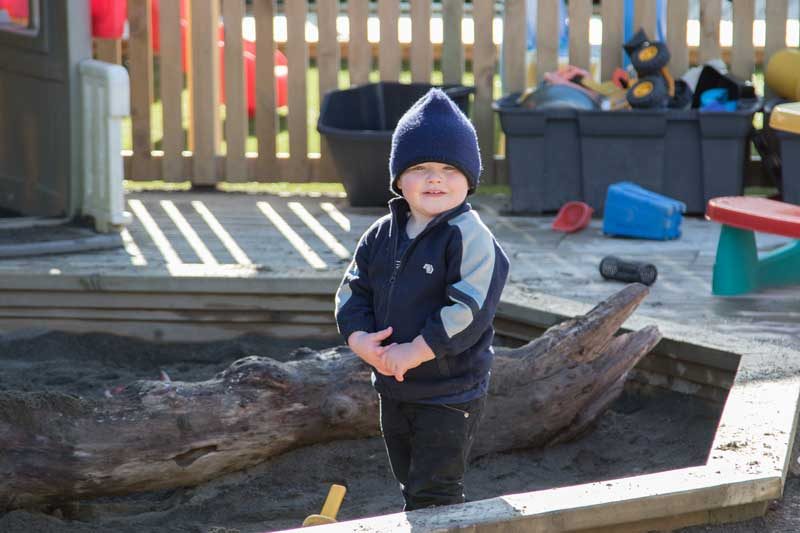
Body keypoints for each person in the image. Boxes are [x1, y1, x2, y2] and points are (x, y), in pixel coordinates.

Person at [334, 88, 510, 511]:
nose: (436, 178)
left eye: (450, 169)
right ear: (398, 179)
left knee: (437, 490)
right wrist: (359, 339)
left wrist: (417, 350)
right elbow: (353, 289)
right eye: (421, 168)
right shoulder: (380, 234)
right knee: (409, 478)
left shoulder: (470, 238)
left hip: (450, 390)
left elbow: (468, 310)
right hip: (393, 385)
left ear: (469, 178)